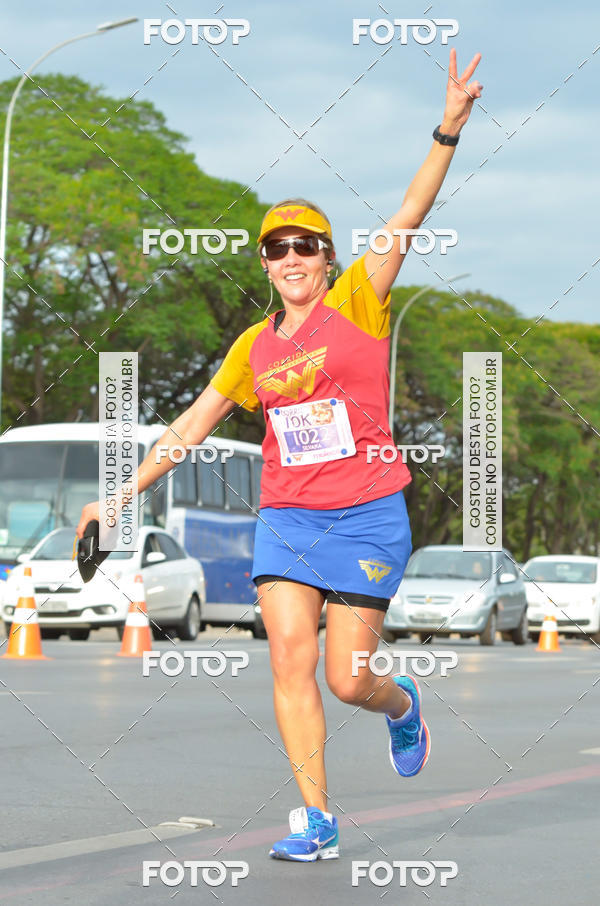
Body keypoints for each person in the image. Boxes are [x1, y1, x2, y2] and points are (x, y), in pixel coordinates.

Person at [77, 48, 482, 863]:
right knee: (290, 666)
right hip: (289, 519)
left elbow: (407, 212)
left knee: (347, 680)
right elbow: (187, 429)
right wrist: (115, 499)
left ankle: (400, 705)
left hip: (367, 517)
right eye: (277, 248)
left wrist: (448, 128)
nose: (292, 258)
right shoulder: (251, 350)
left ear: (328, 257)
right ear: (264, 264)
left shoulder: (362, 299)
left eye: (307, 245)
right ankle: (319, 821)